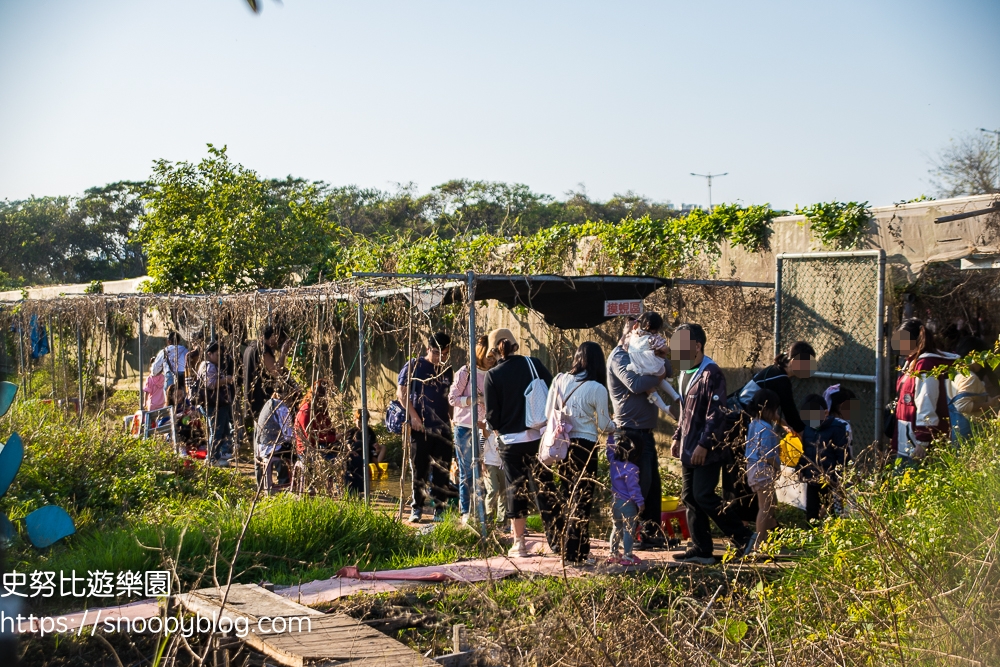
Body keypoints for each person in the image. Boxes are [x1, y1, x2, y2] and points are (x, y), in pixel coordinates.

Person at [671, 323, 753, 563]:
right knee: (689, 497)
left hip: (707, 449)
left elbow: (717, 413)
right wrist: (677, 436)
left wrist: (704, 444)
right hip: (688, 447)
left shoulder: (711, 373)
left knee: (703, 494)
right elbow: (684, 410)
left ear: (697, 346)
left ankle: (743, 536)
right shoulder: (685, 373)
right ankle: (701, 548)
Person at [483, 328, 558, 557]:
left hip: (510, 442)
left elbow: (492, 415)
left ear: (494, 350)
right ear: (515, 345)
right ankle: (557, 541)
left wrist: (497, 428)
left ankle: (520, 544)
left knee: (516, 490)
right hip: (538, 437)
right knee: (545, 486)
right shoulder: (533, 364)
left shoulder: (493, 375)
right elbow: (553, 390)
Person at [724, 340, 817, 523]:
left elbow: (765, 406)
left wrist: (782, 423)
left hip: (737, 417)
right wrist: (808, 438)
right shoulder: (781, 380)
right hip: (738, 421)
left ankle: (746, 516)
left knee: (738, 468)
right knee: (741, 470)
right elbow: (791, 413)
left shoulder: (774, 371)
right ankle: (747, 518)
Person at [544, 341, 612, 563]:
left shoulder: (560, 379)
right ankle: (575, 552)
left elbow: (548, 412)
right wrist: (618, 426)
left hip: (562, 445)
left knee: (568, 497)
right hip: (585, 447)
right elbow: (603, 425)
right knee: (582, 500)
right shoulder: (597, 388)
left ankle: (575, 549)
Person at [607, 312, 669, 547]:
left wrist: (662, 355)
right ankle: (630, 537)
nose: (649, 338)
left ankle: (650, 533)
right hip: (629, 433)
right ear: (633, 329)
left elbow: (671, 370)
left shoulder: (642, 352)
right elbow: (636, 384)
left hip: (646, 431)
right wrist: (660, 369)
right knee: (635, 487)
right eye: (646, 333)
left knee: (652, 486)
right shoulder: (619, 357)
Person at [399, 332, 456, 523]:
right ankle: (417, 508)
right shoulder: (415, 366)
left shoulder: (447, 370)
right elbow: (402, 394)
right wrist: (414, 417)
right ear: (428, 349)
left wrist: (452, 420)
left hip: (443, 428)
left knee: (442, 469)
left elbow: (450, 399)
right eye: (437, 353)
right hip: (420, 428)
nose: (441, 358)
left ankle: (439, 509)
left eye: (445, 353)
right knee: (419, 469)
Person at [891, 319, 958, 463]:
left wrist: (923, 440)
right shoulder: (912, 362)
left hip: (918, 445)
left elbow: (926, 400)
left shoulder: (925, 364)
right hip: (908, 440)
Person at [448, 335, 496, 524]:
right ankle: (466, 512)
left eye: (494, 355)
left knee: (487, 470)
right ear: (480, 352)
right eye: (489, 355)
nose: (492, 359)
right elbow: (452, 399)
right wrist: (473, 400)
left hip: (486, 428)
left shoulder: (494, 373)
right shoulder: (466, 372)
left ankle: (484, 512)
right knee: (467, 471)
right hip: (464, 428)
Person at [799, 392, 853, 520]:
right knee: (812, 513)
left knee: (834, 513)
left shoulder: (837, 429)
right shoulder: (808, 429)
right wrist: (801, 467)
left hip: (831, 480)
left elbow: (842, 455)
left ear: (825, 413)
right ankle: (812, 536)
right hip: (812, 479)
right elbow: (806, 452)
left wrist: (840, 477)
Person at [743, 389, 781, 555]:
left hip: (753, 468)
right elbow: (767, 454)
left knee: (770, 504)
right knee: (765, 507)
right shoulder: (766, 428)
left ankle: (771, 535)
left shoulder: (753, 424)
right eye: (775, 410)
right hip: (762, 469)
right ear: (767, 410)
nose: (777, 414)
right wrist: (778, 467)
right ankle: (760, 543)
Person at [623, 314, 680, 413]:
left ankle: (664, 407)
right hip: (654, 366)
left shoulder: (631, 336)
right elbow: (664, 349)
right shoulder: (652, 338)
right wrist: (664, 351)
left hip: (639, 367)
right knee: (661, 379)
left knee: (649, 387)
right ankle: (675, 396)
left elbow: (625, 347)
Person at [946, 337, 999, 442]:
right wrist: (990, 404)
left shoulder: (953, 373)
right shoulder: (969, 377)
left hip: (955, 430)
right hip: (968, 431)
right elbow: (962, 406)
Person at [606, 434, 644, 567]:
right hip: (627, 503)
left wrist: (610, 436)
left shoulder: (613, 464)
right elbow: (633, 489)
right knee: (629, 529)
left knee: (616, 527)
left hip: (615, 501)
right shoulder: (632, 469)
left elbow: (609, 450)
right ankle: (628, 556)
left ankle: (614, 554)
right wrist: (640, 503)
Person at [244, 325, 293, 421]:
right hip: (261, 401)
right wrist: (283, 353)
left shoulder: (250, 348)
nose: (279, 343)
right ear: (273, 336)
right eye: (279, 339)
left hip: (251, 400)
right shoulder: (262, 349)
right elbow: (276, 372)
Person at [198, 341, 235, 466]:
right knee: (216, 431)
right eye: (217, 355)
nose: (220, 358)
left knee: (222, 430)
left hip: (219, 404)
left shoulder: (210, 365)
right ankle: (212, 458)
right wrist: (226, 380)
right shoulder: (209, 366)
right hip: (215, 404)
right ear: (209, 354)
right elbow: (210, 384)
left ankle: (219, 454)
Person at [255, 390, 295, 494]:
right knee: (295, 454)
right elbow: (288, 435)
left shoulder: (269, 403)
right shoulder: (282, 408)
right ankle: (286, 483)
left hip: (261, 447)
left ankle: (269, 485)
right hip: (272, 447)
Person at [344, 408, 377, 497]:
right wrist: (351, 449)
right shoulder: (352, 431)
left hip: (367, 453)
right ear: (355, 420)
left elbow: (373, 442)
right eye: (359, 422)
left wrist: (375, 446)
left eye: (364, 422)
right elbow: (347, 442)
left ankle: (365, 486)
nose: (361, 424)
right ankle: (354, 489)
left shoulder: (369, 431)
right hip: (355, 454)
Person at [152, 331, 188, 406]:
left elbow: (154, 370)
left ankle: (172, 415)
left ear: (168, 341)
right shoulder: (185, 350)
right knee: (183, 400)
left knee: (170, 400)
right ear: (179, 341)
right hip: (183, 377)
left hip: (170, 377)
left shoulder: (164, 352)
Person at [482, 429, 507, 528]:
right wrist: (482, 463)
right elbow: (480, 445)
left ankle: (501, 521)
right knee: (493, 490)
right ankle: (489, 518)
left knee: (504, 492)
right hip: (489, 463)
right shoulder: (486, 426)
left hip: (502, 463)